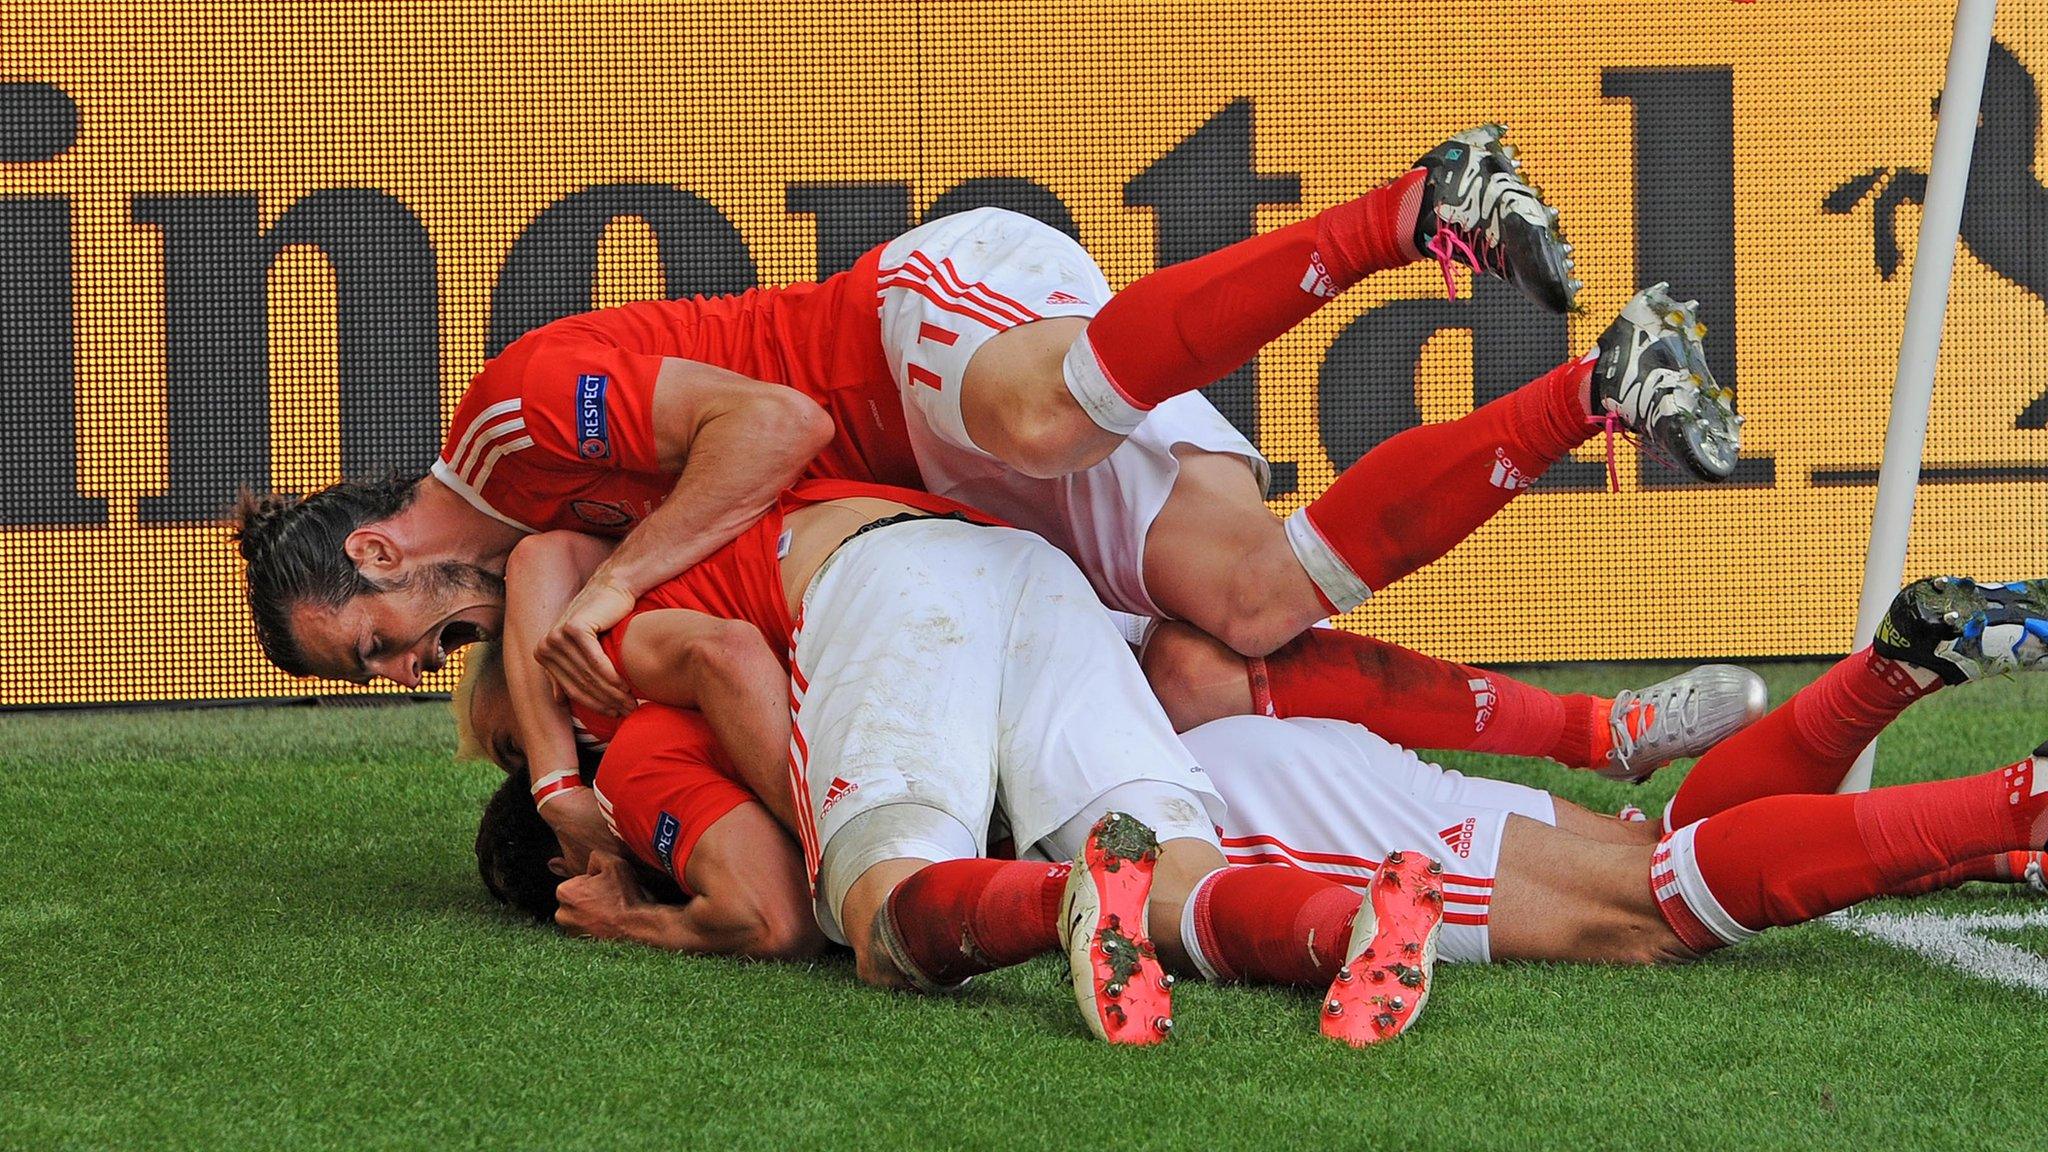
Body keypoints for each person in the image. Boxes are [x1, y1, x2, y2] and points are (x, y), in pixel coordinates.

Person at [233, 124, 1748, 859]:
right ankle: (1600, 395)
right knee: (1234, 623)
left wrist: (628, 596)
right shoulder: (539, 547)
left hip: (908, 338)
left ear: (377, 551)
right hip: (944, 496)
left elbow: (762, 427)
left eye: (368, 643)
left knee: (1031, 417)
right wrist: (560, 789)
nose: (403, 667)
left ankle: (1418, 206)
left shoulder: (507, 420)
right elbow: (546, 635)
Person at [465, 574, 2048, 1009]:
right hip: (1215, 763)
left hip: (1216, 808)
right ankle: (1895, 671)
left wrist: (628, 916)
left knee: (1646, 917)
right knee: (1661, 854)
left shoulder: (660, 748)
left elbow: (772, 902)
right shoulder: (770, 618)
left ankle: (2014, 805)